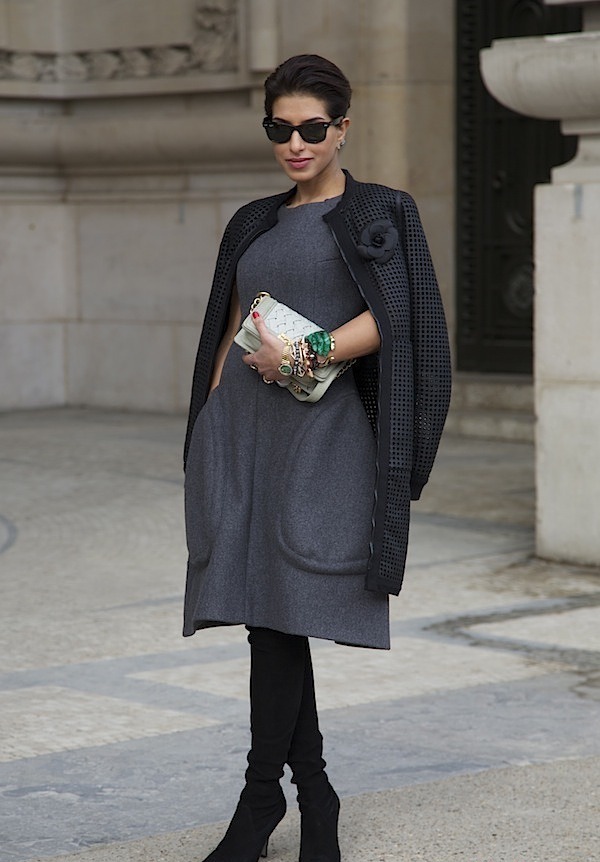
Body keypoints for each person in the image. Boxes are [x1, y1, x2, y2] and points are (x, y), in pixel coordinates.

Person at [183, 54, 451, 862]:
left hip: (324, 438)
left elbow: (397, 317)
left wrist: (307, 354)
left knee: (285, 614)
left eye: (310, 128)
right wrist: (209, 426)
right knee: (268, 620)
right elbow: (230, 326)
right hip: (243, 436)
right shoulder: (253, 220)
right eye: (279, 128)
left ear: (342, 129)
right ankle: (305, 800)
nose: (294, 144)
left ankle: (265, 802)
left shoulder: (381, 210)